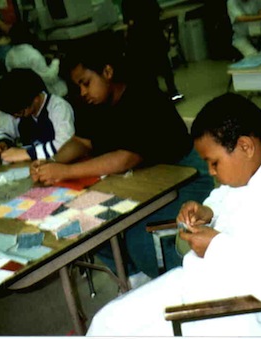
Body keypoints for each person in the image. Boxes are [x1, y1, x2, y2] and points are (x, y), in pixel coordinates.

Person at [86, 93, 261, 336]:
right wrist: (209, 210)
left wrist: (216, 246)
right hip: (208, 279)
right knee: (105, 323)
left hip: (251, 310)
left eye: (214, 162)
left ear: (245, 146)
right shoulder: (257, 165)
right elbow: (227, 195)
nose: (211, 172)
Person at [30, 34, 214, 283]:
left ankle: (197, 282)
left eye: (86, 83)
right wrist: (53, 164)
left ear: (107, 71)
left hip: (185, 175)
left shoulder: (144, 96)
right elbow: (81, 142)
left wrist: (63, 171)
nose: (82, 92)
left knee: (139, 238)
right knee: (91, 227)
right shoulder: (92, 102)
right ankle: (135, 281)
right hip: (141, 178)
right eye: (78, 86)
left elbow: (125, 158)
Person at [0, 68, 75, 163]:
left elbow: (66, 144)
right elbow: (6, 131)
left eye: (19, 113)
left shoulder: (58, 107)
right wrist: (3, 143)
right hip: (32, 166)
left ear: (36, 99)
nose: (15, 117)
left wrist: (27, 153)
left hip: (59, 164)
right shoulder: (20, 109)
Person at [121, 0, 184, 103]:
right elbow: (157, 11)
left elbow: (129, 22)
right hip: (155, 36)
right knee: (165, 67)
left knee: (149, 70)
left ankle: (156, 96)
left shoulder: (127, 2)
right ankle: (173, 92)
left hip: (141, 41)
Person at [5, 22, 68, 97]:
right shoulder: (33, 55)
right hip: (44, 92)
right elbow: (50, 78)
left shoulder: (9, 55)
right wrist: (56, 60)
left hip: (24, 90)